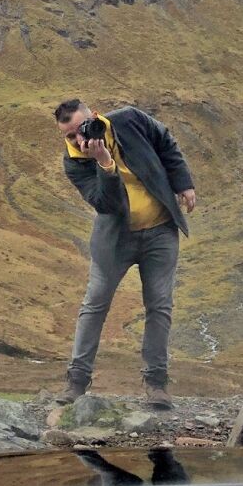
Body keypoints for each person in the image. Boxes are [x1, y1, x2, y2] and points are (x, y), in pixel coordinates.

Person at [53, 99, 196, 408]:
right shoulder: (75, 162)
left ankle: (157, 386)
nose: (80, 140)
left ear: (94, 115)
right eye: (70, 136)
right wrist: (105, 163)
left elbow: (165, 142)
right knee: (94, 305)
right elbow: (105, 204)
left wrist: (183, 183)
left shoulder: (130, 120)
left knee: (160, 306)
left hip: (160, 231)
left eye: (82, 129)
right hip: (115, 241)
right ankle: (76, 383)